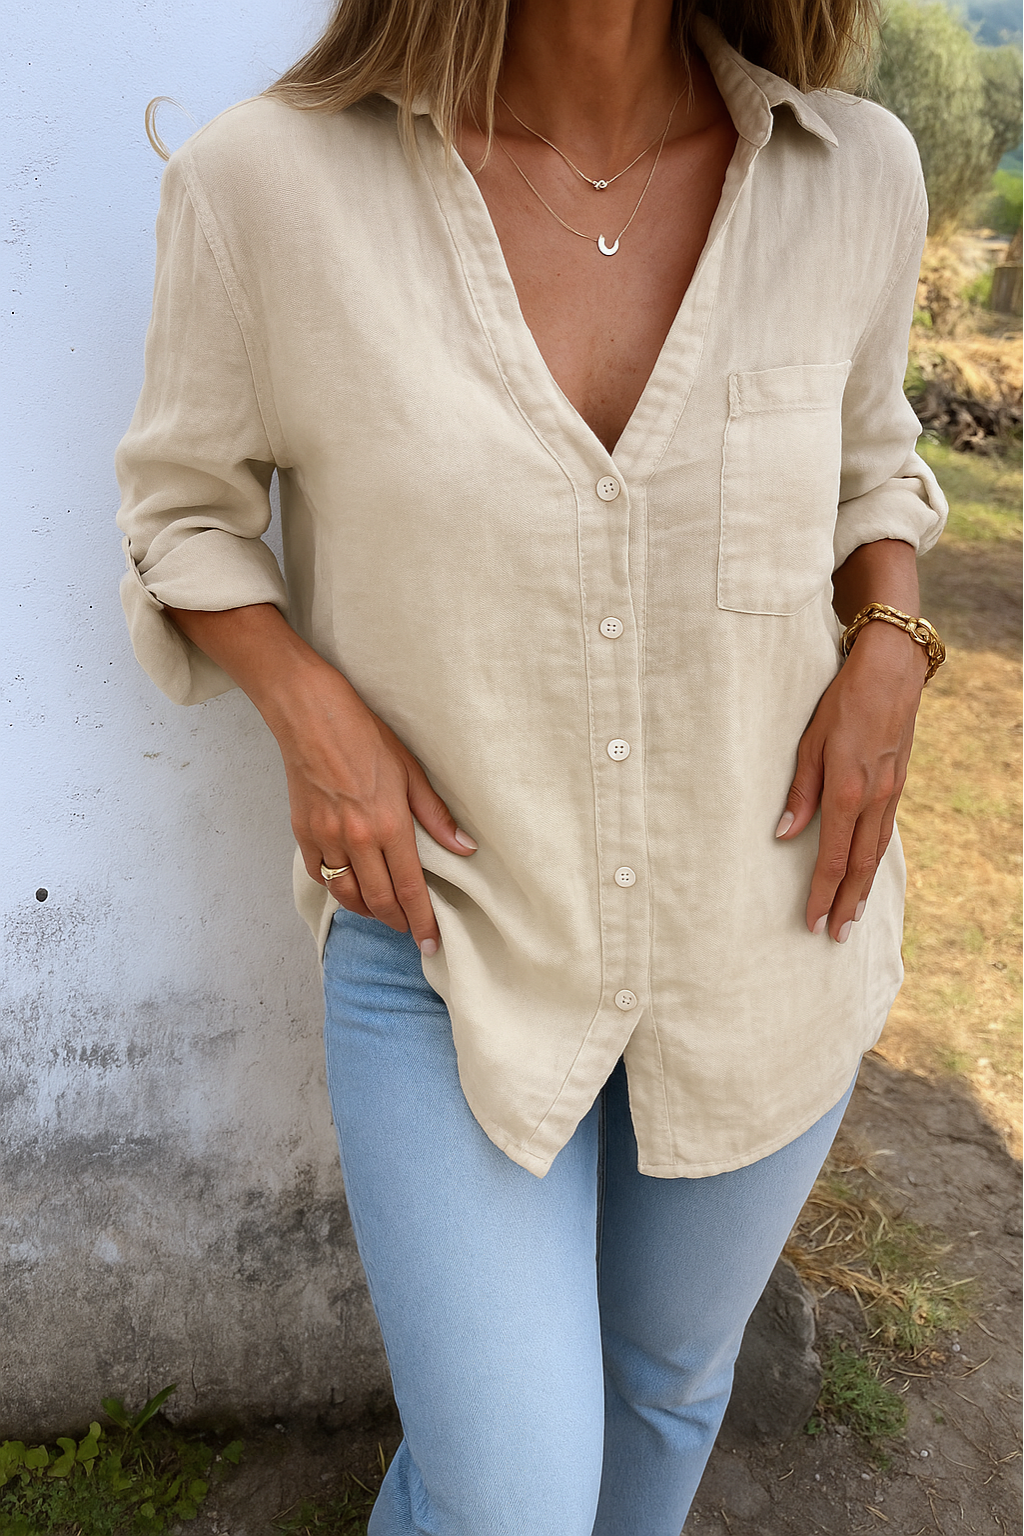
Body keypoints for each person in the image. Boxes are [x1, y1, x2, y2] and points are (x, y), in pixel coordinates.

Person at [115, 1, 948, 1530]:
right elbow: (181, 515)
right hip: (450, 938)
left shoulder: (856, 175)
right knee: (509, 1501)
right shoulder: (268, 188)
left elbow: (870, 457)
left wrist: (889, 639)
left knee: (665, 1392)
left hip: (770, 920)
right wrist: (308, 706)